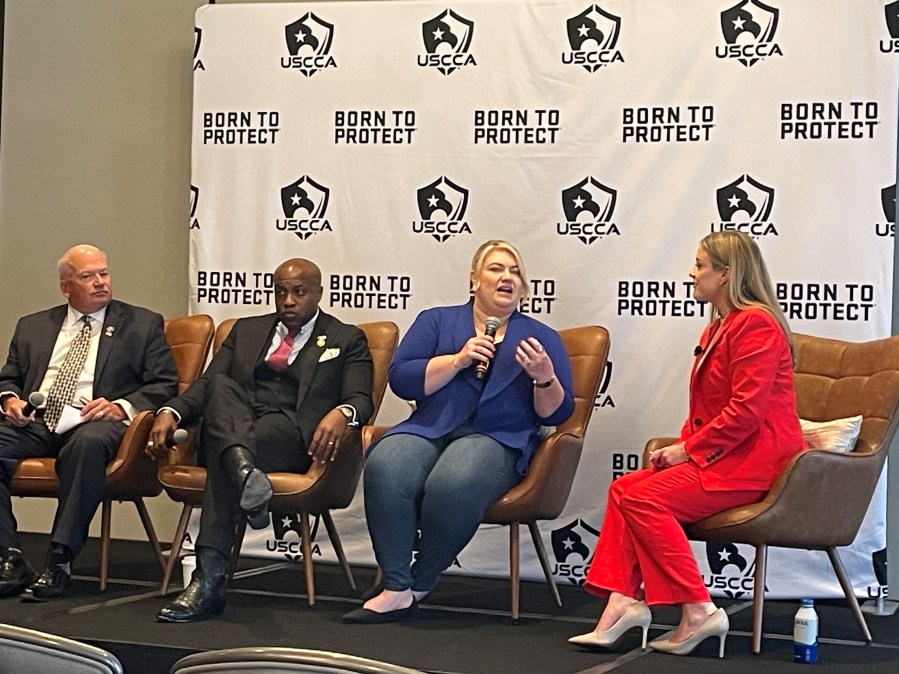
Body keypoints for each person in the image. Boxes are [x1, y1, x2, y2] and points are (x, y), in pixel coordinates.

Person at [569, 231, 805, 658]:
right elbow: (709, 410)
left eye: (700, 265)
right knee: (625, 489)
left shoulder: (757, 325)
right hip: (726, 457)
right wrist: (681, 448)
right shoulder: (720, 325)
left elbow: (746, 412)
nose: (692, 273)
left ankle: (698, 609)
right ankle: (623, 600)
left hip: (756, 463)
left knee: (644, 500)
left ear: (726, 274)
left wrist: (687, 450)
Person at [343, 239, 575, 624]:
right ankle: (396, 586)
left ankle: (421, 579)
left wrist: (544, 379)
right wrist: (457, 360)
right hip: (430, 427)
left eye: (515, 271)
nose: (507, 277)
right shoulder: (436, 320)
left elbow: (560, 412)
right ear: (474, 279)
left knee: (454, 480)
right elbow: (402, 379)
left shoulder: (541, 337)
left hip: (498, 438)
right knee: (386, 462)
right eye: (496, 269)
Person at [150, 257, 373, 623]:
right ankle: (244, 474)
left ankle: (208, 580)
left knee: (228, 452)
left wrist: (343, 413)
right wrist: (171, 411)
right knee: (221, 388)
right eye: (281, 292)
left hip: (290, 437)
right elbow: (207, 385)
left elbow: (361, 398)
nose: (288, 300)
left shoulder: (346, 338)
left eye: (299, 292)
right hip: (236, 424)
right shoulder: (246, 331)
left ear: (318, 292)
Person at [0, 244, 178, 601]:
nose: (100, 282)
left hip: (95, 420)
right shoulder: (33, 325)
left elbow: (164, 383)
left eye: (104, 273)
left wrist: (121, 406)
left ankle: (60, 560)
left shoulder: (141, 323)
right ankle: (9, 556)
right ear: (66, 287)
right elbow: (10, 377)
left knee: (87, 445)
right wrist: (11, 400)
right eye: (88, 276)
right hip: (37, 421)